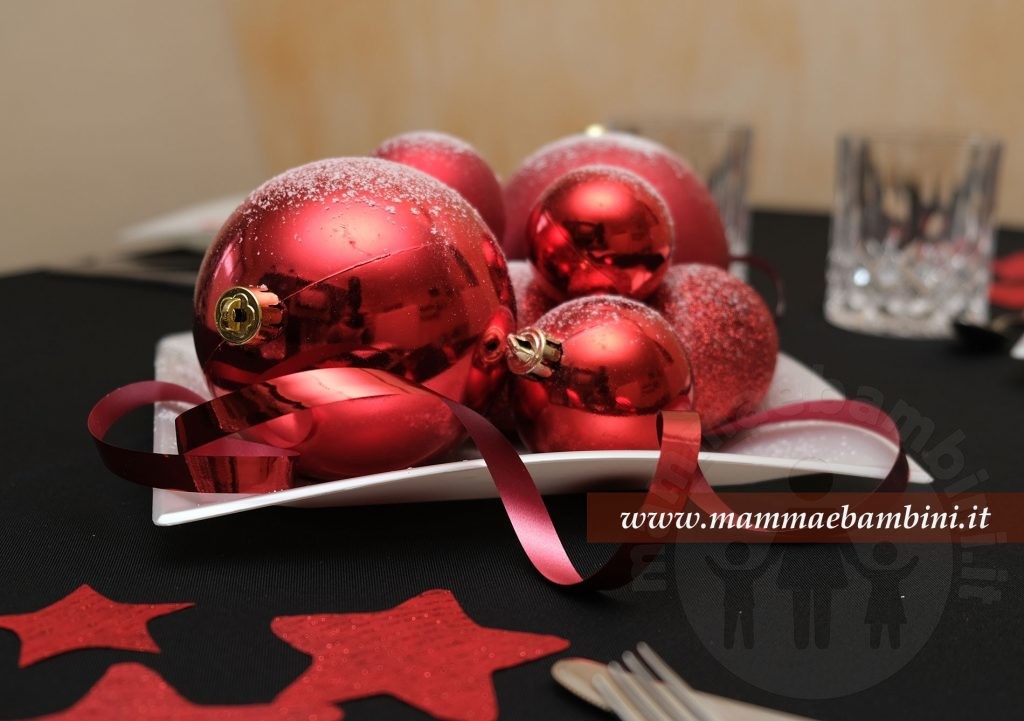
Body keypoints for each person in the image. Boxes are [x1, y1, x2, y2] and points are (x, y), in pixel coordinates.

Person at [706, 543, 773, 649]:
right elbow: (761, 569)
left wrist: (708, 558)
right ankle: (748, 645)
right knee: (746, 627)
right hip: (746, 604)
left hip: (731, 604)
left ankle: (729, 645)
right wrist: (768, 558)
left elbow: (716, 570)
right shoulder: (748, 574)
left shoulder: (728, 574)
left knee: (730, 626)